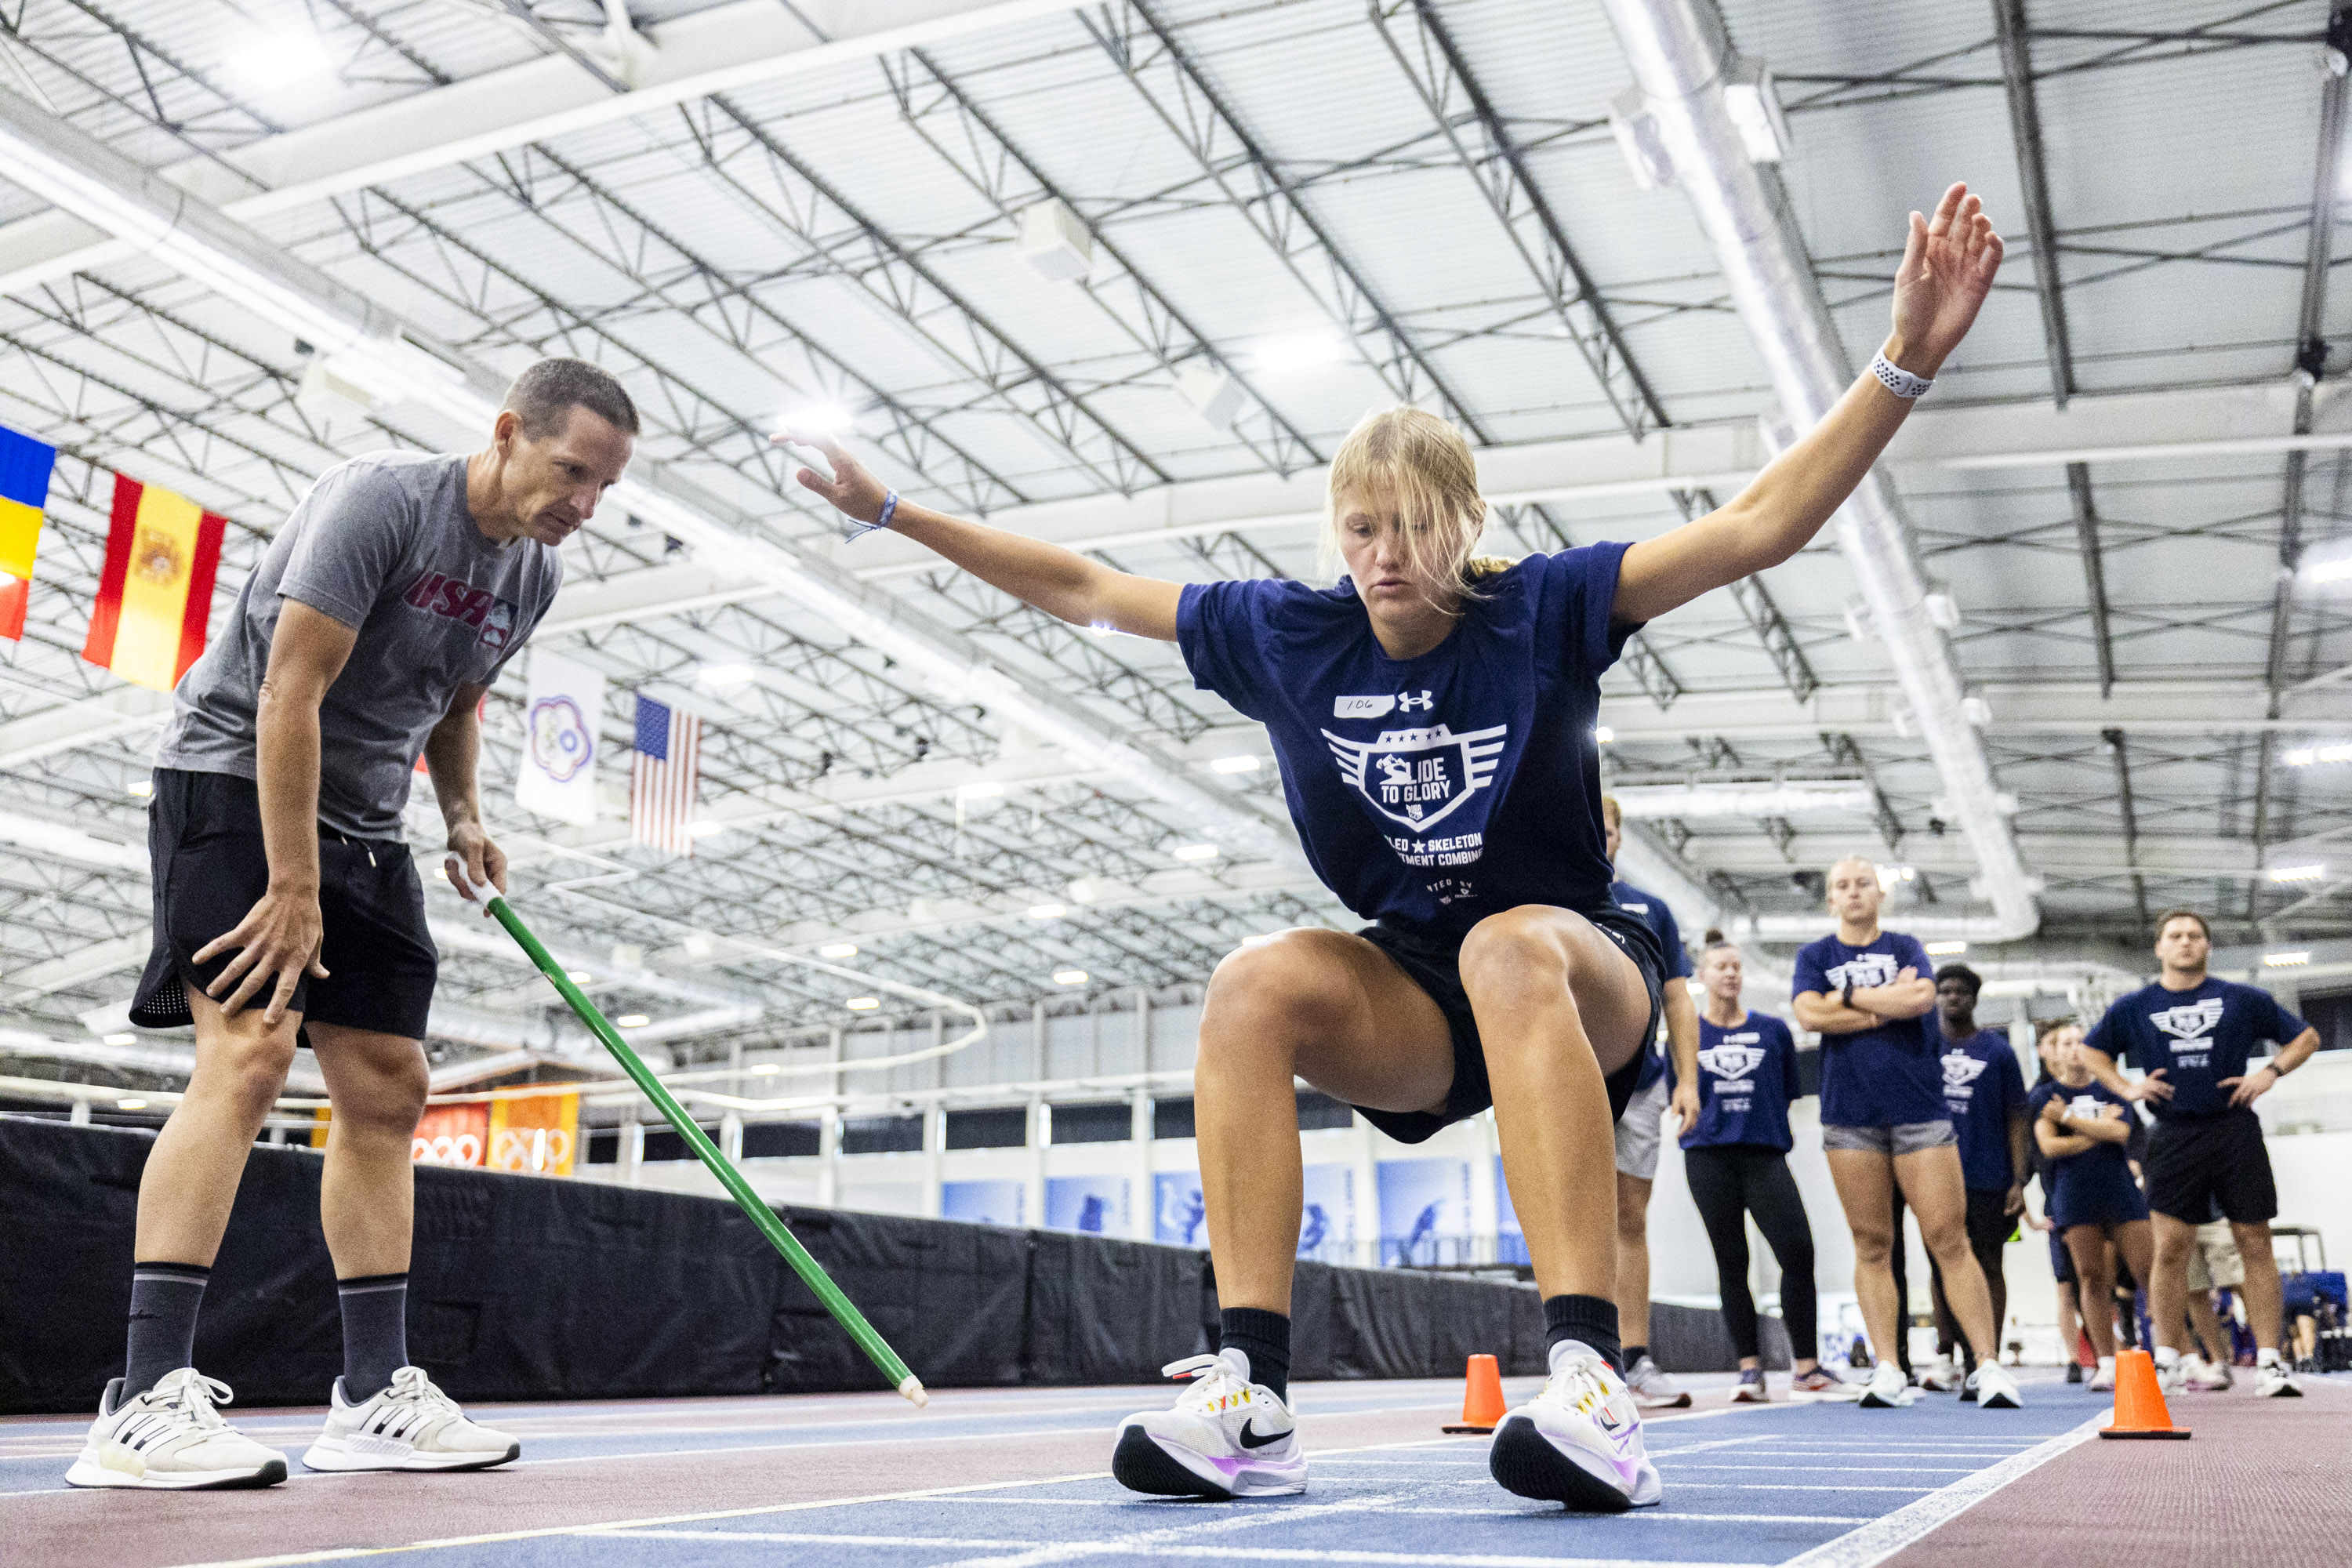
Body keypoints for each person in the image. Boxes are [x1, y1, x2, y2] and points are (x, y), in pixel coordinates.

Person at [780, 184, 2005, 1511]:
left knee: (1509, 943)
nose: (1383, 554)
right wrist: (894, 512)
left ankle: (1593, 1384)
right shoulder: (1286, 633)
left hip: (1571, 967)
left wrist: (1907, 360)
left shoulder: (1543, 607)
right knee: (1255, 982)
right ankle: (1251, 1397)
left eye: (1411, 526)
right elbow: (1085, 586)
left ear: (1460, 529)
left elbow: (1759, 526)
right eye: (1361, 528)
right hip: (1420, 984)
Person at [67, 360, 637, 1491]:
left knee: (389, 1084)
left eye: (605, 488)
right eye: (573, 472)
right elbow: (289, 692)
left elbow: (457, 702)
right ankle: (137, 1402)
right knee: (251, 1049)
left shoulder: (533, 574)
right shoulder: (382, 500)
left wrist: (464, 813)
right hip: (239, 778)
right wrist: (290, 883)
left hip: (370, 819)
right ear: (509, 431)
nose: (584, 505)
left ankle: (372, 1395)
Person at [1790, 856, 2022, 1411]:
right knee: (1873, 1244)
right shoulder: (1815, 955)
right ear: (1830, 899)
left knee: (1950, 1240)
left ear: (1879, 894)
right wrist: (1876, 1005)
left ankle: (1987, 1365)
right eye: (1841, 885)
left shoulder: (1905, 945)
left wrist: (1842, 1001)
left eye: (1862, 883)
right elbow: (1806, 1014)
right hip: (1850, 1119)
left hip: (1921, 1115)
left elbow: (1919, 998)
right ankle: (1889, 1367)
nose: (1852, 892)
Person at [2079, 908, 2319, 1398]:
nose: (2185, 942)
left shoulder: (2242, 999)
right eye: (2175, 935)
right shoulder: (2135, 1006)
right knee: (2170, 1250)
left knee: (2255, 1243)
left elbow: (2307, 1037)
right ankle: (2168, 1359)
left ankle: (2271, 1362)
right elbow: (2090, 1052)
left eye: (2194, 935)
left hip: (2234, 1129)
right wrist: (2126, 1088)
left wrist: (2269, 1073)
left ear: (2207, 946)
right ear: (2159, 948)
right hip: (2172, 1134)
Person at [1679, 934, 1845, 1403]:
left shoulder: (1774, 1030)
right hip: (1708, 1157)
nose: (1730, 973)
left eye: (1736, 966)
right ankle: (1749, 1371)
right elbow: (1681, 1096)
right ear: (1703, 976)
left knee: (1798, 1253)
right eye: (1720, 967)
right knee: (1732, 1263)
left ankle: (1807, 1368)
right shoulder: (1687, 1034)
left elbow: (1789, 1093)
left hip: (1765, 1156)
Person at [1599, 795, 1699, 1410]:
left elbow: (1679, 998)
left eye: (1607, 828)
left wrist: (1687, 1081)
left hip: (1639, 1084)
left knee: (1629, 1222)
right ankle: (1582, 1356)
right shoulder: (1543, 901)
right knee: (1572, 1220)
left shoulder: (1649, 909)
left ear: (1617, 838)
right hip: (1562, 1084)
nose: (1598, 836)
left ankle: (1634, 1358)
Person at [1908, 965, 2029, 1398]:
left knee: (1989, 1262)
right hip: (1932, 1172)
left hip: (1988, 1175)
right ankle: (1947, 1355)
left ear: (1975, 999)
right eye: (1944, 991)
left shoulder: (1998, 1051)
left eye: (1960, 992)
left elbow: (2018, 1115)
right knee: (1941, 1263)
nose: (1951, 998)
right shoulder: (1924, 1047)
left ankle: (1987, 1356)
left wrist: (2019, 1178)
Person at [2029, 1028, 2152, 1391]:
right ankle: (2106, 1362)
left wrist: (2067, 1119)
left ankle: (2169, 1355)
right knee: (2091, 1278)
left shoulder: (2112, 1087)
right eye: (2067, 1043)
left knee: (2148, 1272)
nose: (2075, 1048)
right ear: (2056, 1052)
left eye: (2082, 1041)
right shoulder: (2043, 1096)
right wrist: (2099, 1129)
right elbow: (2049, 1148)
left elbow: (2121, 1134)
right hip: (2073, 1193)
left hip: (2121, 1191)